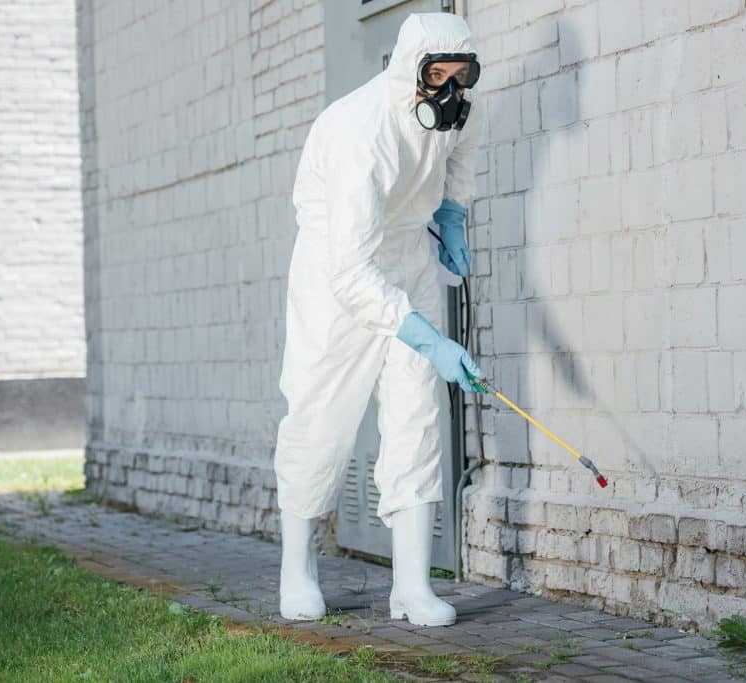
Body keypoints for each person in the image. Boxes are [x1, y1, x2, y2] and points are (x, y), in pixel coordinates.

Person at [273, 12, 484, 628]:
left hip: (408, 256)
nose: (450, 91)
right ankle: (296, 570)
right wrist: (428, 339)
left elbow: (460, 155)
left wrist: (451, 215)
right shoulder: (360, 134)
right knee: (320, 413)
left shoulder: (459, 110)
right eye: (437, 77)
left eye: (461, 77)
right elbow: (351, 271)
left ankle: (412, 587)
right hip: (337, 272)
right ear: (410, 72)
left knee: (416, 417)